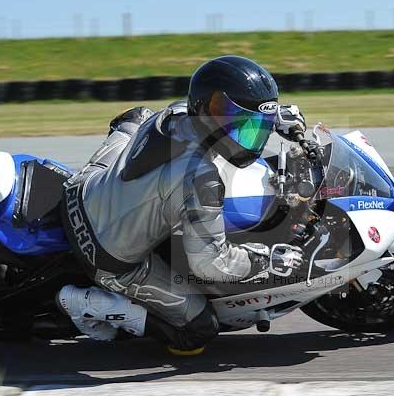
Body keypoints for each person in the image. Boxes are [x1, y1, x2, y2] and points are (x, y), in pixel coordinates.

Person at [57, 55, 308, 354]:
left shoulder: (178, 112)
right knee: (197, 331)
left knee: (136, 117)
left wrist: (272, 117)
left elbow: (223, 118)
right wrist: (266, 259)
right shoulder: (202, 179)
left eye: (256, 125)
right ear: (205, 109)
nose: (251, 137)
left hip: (84, 186)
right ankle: (90, 304)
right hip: (107, 256)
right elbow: (211, 264)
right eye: (241, 124)